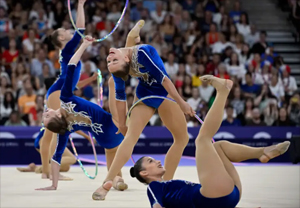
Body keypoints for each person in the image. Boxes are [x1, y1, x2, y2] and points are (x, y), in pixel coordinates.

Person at [130, 75, 290, 208]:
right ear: (144, 173)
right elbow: (156, 206)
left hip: (226, 196)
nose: (157, 160)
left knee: (218, 147)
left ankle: (262, 152)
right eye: (150, 161)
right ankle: (222, 92)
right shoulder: (154, 187)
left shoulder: (166, 185)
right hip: (216, 196)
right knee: (202, 139)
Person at [92, 20, 194, 200]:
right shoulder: (119, 69)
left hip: (163, 92)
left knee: (182, 138)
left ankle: (165, 182)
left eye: (112, 60)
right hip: (146, 93)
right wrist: (122, 124)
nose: (110, 59)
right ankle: (107, 182)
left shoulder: (143, 53)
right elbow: (121, 98)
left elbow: (164, 80)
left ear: (124, 59)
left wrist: (182, 102)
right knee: (131, 136)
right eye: (109, 62)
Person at [36, 36, 126, 191]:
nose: (44, 113)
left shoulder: (66, 129)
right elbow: (71, 66)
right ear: (57, 116)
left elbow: (56, 158)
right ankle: (126, 51)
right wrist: (84, 44)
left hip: (105, 140)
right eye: (46, 116)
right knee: (113, 82)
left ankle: (116, 180)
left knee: (111, 153)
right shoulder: (65, 97)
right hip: (116, 126)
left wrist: (54, 185)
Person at [39, 0, 96, 179]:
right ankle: (47, 171)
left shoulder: (68, 52)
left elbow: (71, 82)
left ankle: (47, 171)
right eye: (65, 31)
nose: (68, 31)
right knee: (52, 131)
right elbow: (81, 29)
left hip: (59, 91)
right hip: (58, 93)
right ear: (62, 39)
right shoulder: (68, 48)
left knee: (51, 132)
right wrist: (80, 5)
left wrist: (91, 79)